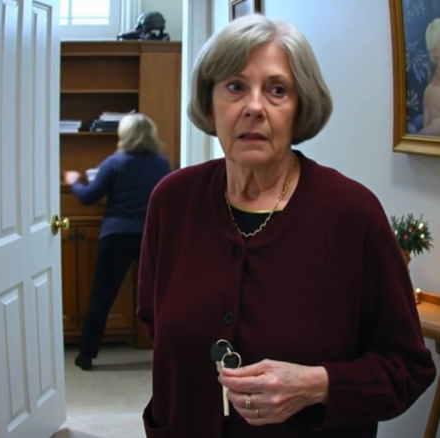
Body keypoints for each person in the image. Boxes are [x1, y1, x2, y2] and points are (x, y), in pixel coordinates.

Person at [137, 14, 436, 438]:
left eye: (277, 90)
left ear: (300, 107)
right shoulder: (172, 201)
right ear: (209, 101)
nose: (254, 107)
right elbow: (156, 324)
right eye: (235, 86)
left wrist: (317, 385)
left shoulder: (352, 215)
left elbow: (408, 367)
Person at [64, 113, 170, 371]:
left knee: (102, 295)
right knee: (158, 296)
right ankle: (166, 352)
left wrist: (74, 182)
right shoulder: (162, 163)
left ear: (125, 135)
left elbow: (89, 197)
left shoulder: (114, 162)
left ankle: (86, 356)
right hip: (150, 237)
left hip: (116, 235)